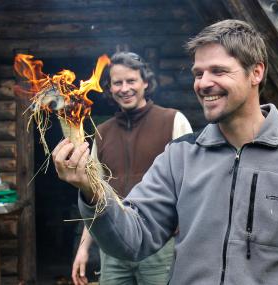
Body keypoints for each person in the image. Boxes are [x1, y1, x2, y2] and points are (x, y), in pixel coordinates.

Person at [53, 20, 278, 285]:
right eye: (198, 72)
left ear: (256, 72)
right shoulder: (179, 156)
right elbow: (133, 239)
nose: (203, 83)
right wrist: (92, 190)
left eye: (218, 71)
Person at [68, 51, 192, 285]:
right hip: (113, 247)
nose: (125, 88)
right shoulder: (102, 133)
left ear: (145, 82)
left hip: (159, 245)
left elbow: (192, 183)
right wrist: (83, 249)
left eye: (131, 81)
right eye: (118, 83)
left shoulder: (173, 120)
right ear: (110, 88)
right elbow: (94, 195)